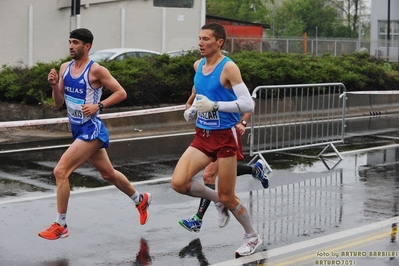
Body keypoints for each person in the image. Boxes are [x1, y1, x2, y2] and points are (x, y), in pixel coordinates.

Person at [38, 28, 151, 240]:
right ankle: (140, 199)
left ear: (87, 46)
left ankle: (60, 224)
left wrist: (98, 105)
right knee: (108, 174)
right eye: (70, 42)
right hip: (77, 129)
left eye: (76, 43)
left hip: (91, 129)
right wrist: (54, 86)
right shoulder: (65, 68)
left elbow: (121, 92)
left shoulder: (96, 70)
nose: (71, 46)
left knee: (60, 171)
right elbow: (59, 102)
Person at [171, 23, 262, 257]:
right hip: (203, 134)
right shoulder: (198, 65)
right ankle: (218, 201)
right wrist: (192, 108)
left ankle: (252, 236)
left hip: (225, 136)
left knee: (228, 195)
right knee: (179, 183)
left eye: (206, 39)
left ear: (219, 42)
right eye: (199, 38)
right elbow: (199, 90)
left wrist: (215, 106)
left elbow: (247, 104)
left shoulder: (229, 68)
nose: (200, 43)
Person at [179, 87, 269, 233]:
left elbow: (250, 103)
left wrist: (243, 122)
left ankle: (199, 218)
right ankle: (255, 169)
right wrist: (190, 110)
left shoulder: (225, 76)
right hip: (206, 135)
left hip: (225, 134)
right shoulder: (200, 79)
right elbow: (191, 103)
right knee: (221, 171)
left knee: (209, 174)